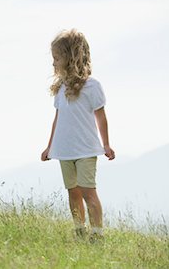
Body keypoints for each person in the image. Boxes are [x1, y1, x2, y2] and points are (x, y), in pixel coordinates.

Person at [40, 29, 115, 242]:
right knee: (73, 192)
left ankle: (97, 234)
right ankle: (80, 231)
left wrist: (106, 145)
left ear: (70, 57)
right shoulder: (60, 89)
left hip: (86, 150)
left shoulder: (92, 86)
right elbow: (58, 119)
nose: (53, 63)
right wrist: (49, 147)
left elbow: (101, 117)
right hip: (65, 150)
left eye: (57, 58)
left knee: (88, 192)